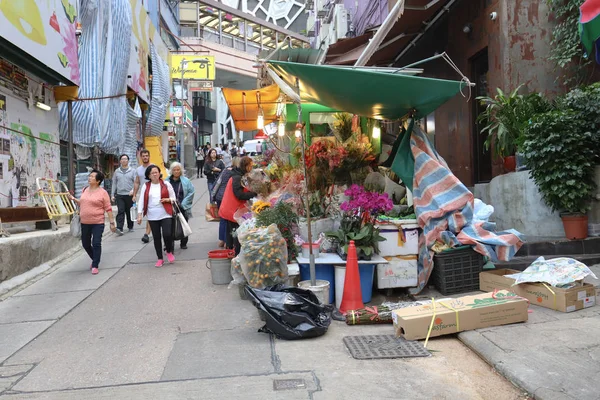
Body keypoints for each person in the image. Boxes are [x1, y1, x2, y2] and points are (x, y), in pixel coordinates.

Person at [69, 170, 116, 275]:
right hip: (85, 222)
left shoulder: (103, 193)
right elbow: (82, 203)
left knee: (96, 243)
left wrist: (112, 223)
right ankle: (95, 258)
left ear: (98, 181)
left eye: (92, 177)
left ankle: (95, 265)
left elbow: (108, 208)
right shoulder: (85, 189)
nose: (89, 178)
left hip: (97, 222)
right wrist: (73, 199)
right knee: (85, 244)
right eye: (89, 176)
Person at [137, 165, 177, 267]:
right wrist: (139, 214)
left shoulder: (166, 184)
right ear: (148, 176)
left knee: (167, 234)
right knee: (156, 237)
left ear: (159, 173)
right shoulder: (146, 186)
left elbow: (173, 198)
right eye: (152, 173)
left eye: (156, 172)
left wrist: (168, 200)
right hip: (152, 215)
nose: (155, 174)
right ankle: (160, 258)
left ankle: (168, 250)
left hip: (165, 213)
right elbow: (141, 200)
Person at [219, 156, 257, 255]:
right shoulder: (237, 177)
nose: (251, 168)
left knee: (233, 233)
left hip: (233, 210)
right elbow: (239, 195)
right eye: (251, 166)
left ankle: (233, 253)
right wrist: (254, 193)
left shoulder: (238, 175)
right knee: (235, 233)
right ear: (246, 166)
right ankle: (236, 255)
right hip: (232, 210)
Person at [213, 157, 240, 248]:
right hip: (227, 197)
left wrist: (213, 195)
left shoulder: (225, 170)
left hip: (219, 196)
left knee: (223, 218)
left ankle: (222, 240)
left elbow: (217, 183)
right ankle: (227, 241)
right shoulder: (235, 173)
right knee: (229, 219)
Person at [168, 162, 195, 249]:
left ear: (181, 170)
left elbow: (191, 192)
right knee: (170, 226)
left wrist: (183, 204)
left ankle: (183, 243)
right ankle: (169, 243)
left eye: (178, 169)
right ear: (171, 171)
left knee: (183, 224)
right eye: (174, 170)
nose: (176, 171)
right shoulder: (166, 181)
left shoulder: (186, 181)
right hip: (170, 207)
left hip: (182, 207)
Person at [111, 154, 136, 235]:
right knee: (121, 211)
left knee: (129, 211)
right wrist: (112, 195)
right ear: (120, 161)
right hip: (120, 195)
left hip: (129, 195)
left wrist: (133, 191)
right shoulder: (117, 171)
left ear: (128, 161)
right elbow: (114, 183)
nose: (124, 160)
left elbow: (136, 183)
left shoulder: (132, 171)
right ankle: (119, 228)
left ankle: (130, 226)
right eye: (122, 159)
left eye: (125, 159)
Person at [133, 149, 153, 243]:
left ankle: (147, 234)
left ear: (149, 156)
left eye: (146, 155)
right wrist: (134, 194)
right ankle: (152, 230)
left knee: (150, 213)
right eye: (143, 156)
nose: (145, 157)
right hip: (143, 194)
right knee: (148, 213)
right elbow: (137, 182)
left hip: (153, 194)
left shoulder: (154, 167)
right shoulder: (138, 170)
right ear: (141, 158)